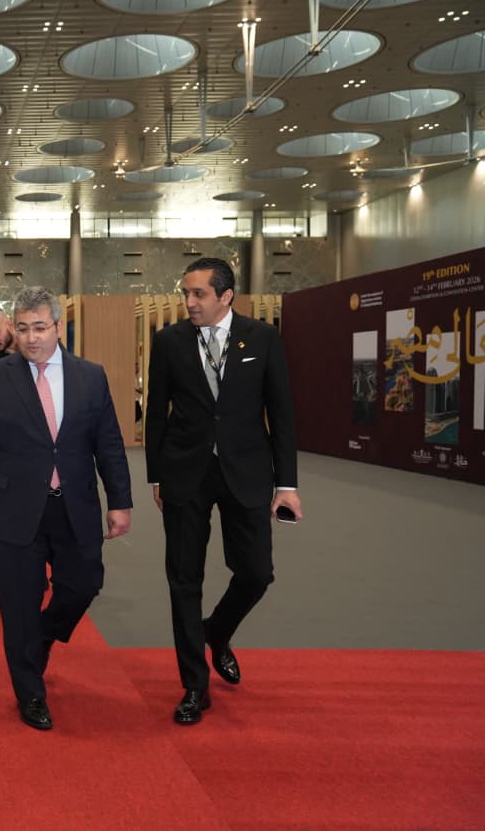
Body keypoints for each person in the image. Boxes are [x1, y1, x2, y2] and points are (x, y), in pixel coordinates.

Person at [0, 286, 132, 731]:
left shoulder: (90, 376)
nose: (31, 338)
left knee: (85, 584)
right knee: (18, 606)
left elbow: (109, 443)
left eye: (40, 328)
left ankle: (44, 636)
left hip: (75, 506)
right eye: (23, 328)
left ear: (57, 327)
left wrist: (120, 501)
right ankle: (30, 691)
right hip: (12, 510)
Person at [145, 258, 301, 725]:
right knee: (183, 580)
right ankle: (195, 686)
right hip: (185, 473)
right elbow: (156, 412)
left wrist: (287, 485)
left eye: (199, 294)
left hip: (246, 472)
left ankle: (216, 630)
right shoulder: (169, 341)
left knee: (256, 573)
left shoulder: (262, 338)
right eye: (186, 293)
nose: (189, 302)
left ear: (226, 296)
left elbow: (282, 413)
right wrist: (156, 476)